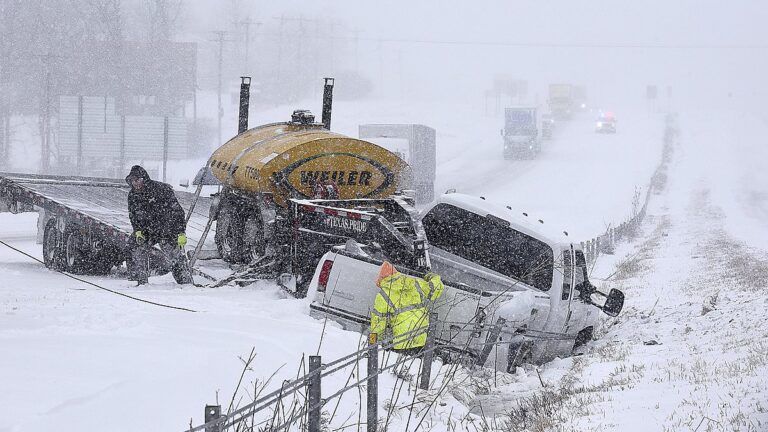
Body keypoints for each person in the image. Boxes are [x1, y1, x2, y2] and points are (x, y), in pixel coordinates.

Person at [125, 165, 193, 285]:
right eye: (133, 181)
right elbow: (133, 216)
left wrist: (181, 232)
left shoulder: (161, 189)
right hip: (148, 231)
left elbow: (178, 212)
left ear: (144, 179)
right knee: (133, 247)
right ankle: (140, 281)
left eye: (138, 180)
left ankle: (185, 282)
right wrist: (138, 230)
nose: (136, 184)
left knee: (175, 257)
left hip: (167, 229)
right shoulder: (133, 196)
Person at [369, 261, 444, 356]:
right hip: (421, 339)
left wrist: (372, 343)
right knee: (418, 368)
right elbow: (438, 287)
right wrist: (430, 276)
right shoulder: (416, 284)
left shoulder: (383, 295)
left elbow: (377, 324)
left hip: (401, 343)